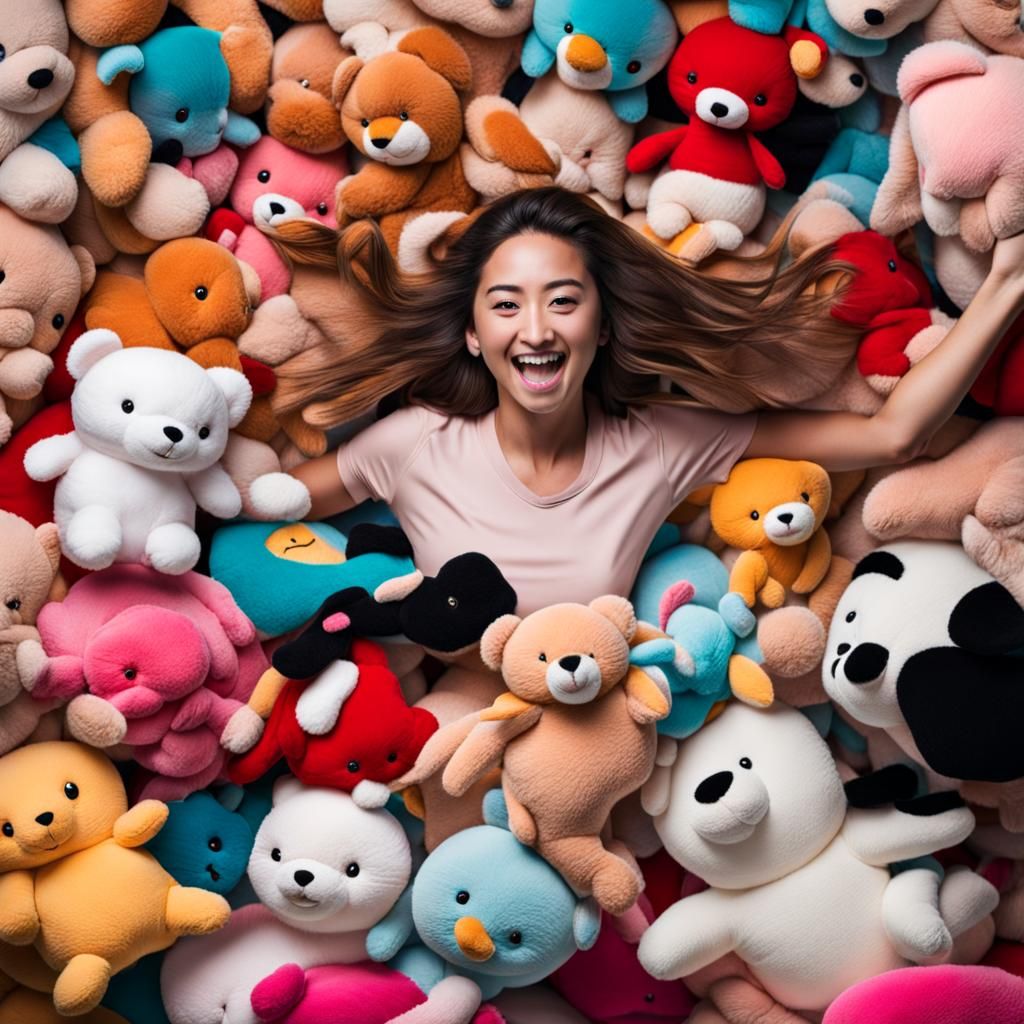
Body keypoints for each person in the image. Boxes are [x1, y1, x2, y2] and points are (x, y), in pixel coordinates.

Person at [279, 188, 1024, 614]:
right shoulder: (412, 442)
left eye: (563, 300)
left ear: (602, 326)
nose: (535, 330)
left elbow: (893, 435)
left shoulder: (659, 439)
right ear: (473, 335)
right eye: (505, 306)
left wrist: (1007, 284)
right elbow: (255, 509)